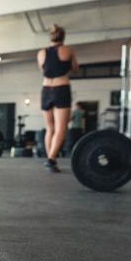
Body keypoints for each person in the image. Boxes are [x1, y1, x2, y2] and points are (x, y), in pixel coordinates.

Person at [37, 24, 79, 173]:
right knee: (61, 128)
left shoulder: (41, 53)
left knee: (50, 128)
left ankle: (51, 160)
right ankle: (51, 159)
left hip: (46, 89)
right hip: (61, 88)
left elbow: (44, 70)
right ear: (63, 37)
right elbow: (75, 69)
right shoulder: (68, 50)